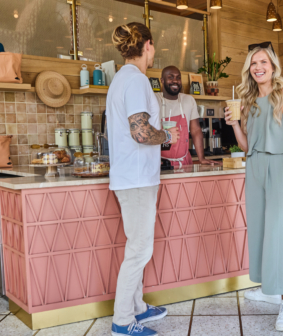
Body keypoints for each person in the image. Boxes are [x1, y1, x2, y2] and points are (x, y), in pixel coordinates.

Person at [224, 43, 283, 331]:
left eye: (263, 61)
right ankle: (272, 290)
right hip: (254, 168)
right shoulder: (248, 99)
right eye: (253, 63)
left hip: (280, 166)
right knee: (262, 230)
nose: (258, 67)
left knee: (279, 230)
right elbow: (245, 146)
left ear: (273, 66)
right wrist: (235, 124)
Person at [106, 22, 180, 336]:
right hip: (136, 179)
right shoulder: (135, 81)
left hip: (132, 177)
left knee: (137, 246)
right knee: (139, 250)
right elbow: (141, 131)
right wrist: (167, 135)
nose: (153, 53)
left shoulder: (122, 79)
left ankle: (137, 308)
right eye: (153, 48)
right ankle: (123, 321)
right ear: (147, 45)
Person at [155, 65, 219, 166]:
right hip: (160, 164)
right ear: (162, 80)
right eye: (170, 77)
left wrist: (201, 158)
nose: (175, 81)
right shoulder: (154, 99)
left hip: (184, 163)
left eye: (178, 77)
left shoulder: (189, 100)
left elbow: (196, 130)